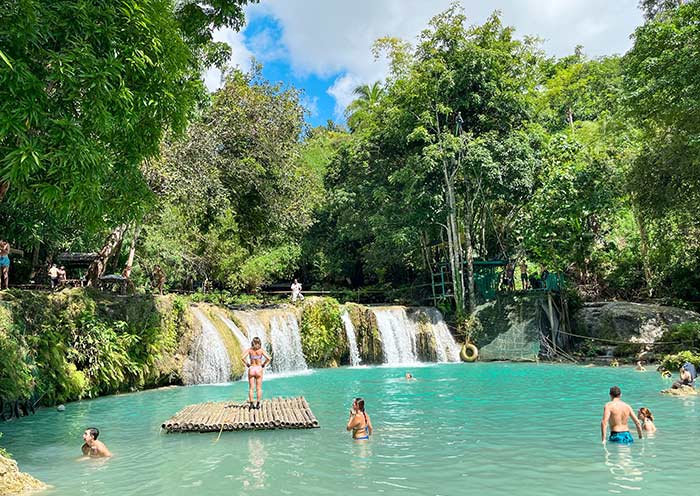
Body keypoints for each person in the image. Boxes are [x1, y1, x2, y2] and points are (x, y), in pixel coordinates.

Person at [241, 337, 272, 409]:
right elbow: (269, 358)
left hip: (251, 369)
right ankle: (258, 404)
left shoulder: (250, 350)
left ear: (252, 343)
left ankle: (251, 404)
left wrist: (247, 364)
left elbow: (242, 358)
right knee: (259, 388)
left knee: (251, 388)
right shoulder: (261, 350)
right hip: (259, 369)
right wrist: (264, 364)